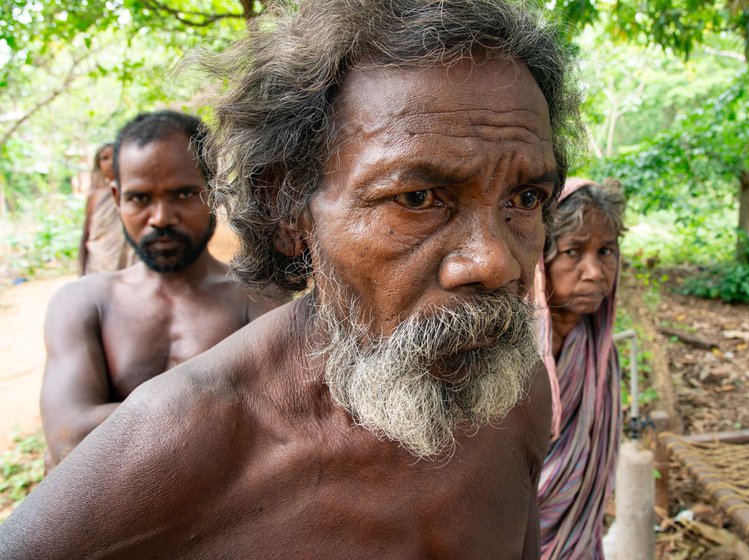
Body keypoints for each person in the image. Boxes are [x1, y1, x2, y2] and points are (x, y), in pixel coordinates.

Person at [0, 1, 581, 557]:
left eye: (525, 198)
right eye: (417, 198)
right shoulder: (184, 438)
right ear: (288, 209)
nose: (495, 262)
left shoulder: (513, 394)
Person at [38, 110, 284, 471]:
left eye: (183, 194)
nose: (161, 218)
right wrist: (228, 407)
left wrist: (112, 423)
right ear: (117, 198)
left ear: (214, 192)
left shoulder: (259, 296)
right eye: (140, 199)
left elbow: (280, 429)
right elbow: (70, 440)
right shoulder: (82, 304)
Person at [534, 178, 626, 559]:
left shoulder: (597, 350)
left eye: (605, 251)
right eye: (573, 251)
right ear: (541, 261)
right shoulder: (508, 361)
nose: (594, 271)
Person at [78, 143, 136, 275]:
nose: (110, 162)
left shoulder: (134, 192)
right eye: (104, 158)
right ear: (98, 165)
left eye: (115, 156)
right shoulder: (95, 196)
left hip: (127, 260)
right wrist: (81, 268)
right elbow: (86, 233)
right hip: (99, 260)